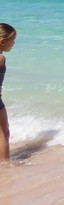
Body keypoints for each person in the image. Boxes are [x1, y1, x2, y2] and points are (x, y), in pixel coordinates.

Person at [0, 23, 17, 163]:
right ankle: (5, 164)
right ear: (3, 41)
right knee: (3, 134)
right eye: (12, 41)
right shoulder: (0, 59)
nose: (14, 44)